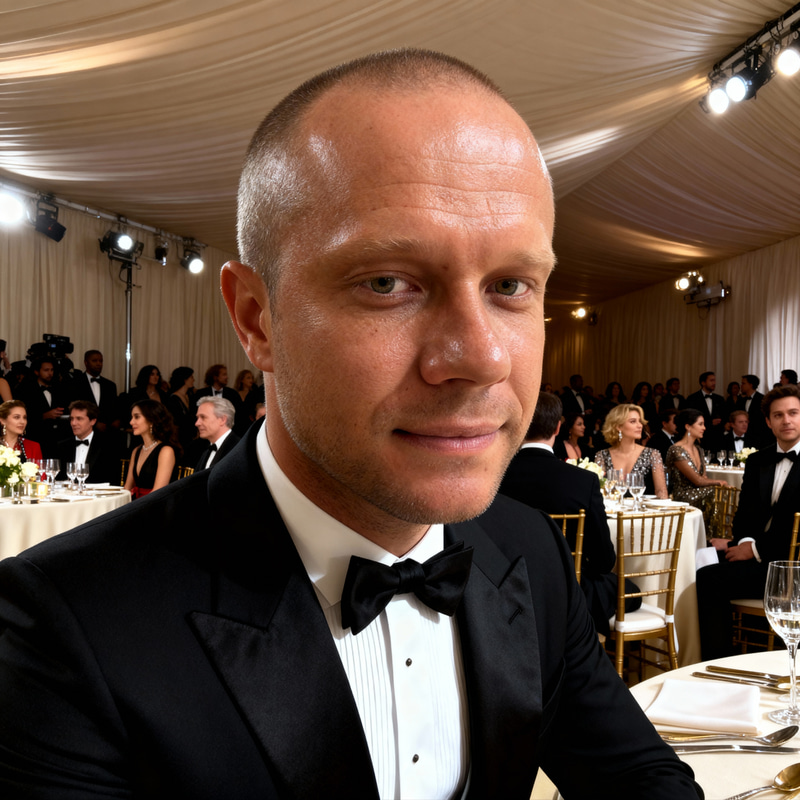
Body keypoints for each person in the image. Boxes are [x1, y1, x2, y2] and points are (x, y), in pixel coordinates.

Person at [0, 49, 701, 798]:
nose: (481, 358)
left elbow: (639, 777)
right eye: (387, 282)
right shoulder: (62, 628)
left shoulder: (525, 550)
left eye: (510, 285)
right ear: (255, 319)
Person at [500, 392, 640, 635]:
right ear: (557, 427)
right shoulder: (583, 481)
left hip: (506, 590)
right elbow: (604, 561)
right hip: (569, 592)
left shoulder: (497, 476)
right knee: (633, 592)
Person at [697, 384, 800, 660]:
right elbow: (744, 515)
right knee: (700, 563)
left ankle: (724, 661)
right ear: (768, 422)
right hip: (760, 559)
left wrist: (754, 550)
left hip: (794, 567)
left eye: (793, 413)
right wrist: (743, 542)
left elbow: (795, 529)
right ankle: (722, 662)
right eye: (778, 415)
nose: (786, 420)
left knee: (709, 579)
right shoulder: (758, 460)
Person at [665, 408, 728, 531]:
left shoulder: (699, 449)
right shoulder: (676, 450)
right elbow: (697, 481)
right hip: (683, 495)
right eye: (700, 424)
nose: (704, 428)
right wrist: (719, 482)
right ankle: (713, 533)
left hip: (699, 492)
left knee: (721, 492)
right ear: (688, 426)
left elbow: (703, 478)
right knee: (717, 491)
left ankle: (718, 533)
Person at [594, 404, 668, 498]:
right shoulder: (602, 455)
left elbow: (661, 491)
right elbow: (598, 491)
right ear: (618, 427)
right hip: (612, 511)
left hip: (643, 511)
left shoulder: (652, 454)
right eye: (633, 422)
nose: (640, 425)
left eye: (640, 421)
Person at [55, 400, 120, 485]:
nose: (73, 423)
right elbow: (58, 479)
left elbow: (113, 479)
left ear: (92, 421)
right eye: (71, 419)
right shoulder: (62, 446)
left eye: (79, 419)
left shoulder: (108, 446)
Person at [123, 400, 177, 499]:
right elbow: (127, 488)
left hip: (156, 508)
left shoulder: (166, 451)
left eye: (137, 417)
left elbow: (158, 492)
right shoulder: (136, 451)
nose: (131, 422)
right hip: (136, 505)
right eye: (132, 417)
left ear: (151, 420)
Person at [14, 357, 67, 456]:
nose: (50, 373)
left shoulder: (59, 389)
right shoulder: (26, 391)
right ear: (36, 372)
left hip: (58, 440)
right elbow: (21, 416)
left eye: (52, 370)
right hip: (36, 438)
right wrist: (44, 416)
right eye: (46, 370)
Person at [67, 349, 118, 431]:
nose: (98, 364)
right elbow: (73, 409)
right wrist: (94, 424)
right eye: (94, 361)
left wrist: (116, 421)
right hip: (83, 431)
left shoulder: (110, 385)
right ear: (86, 362)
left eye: (101, 361)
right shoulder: (75, 383)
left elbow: (114, 408)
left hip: (107, 433)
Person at [189, 396, 240, 470]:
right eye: (197, 418)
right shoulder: (205, 451)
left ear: (222, 420)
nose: (197, 423)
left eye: (203, 417)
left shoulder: (238, 449)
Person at [684, 371, 726, 451]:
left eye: (714, 380)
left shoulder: (720, 399)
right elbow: (690, 418)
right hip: (700, 438)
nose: (714, 383)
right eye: (711, 380)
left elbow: (725, 416)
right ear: (703, 383)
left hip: (717, 438)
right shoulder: (692, 398)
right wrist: (709, 422)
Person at [166, 366, 197, 452]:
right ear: (185, 379)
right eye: (191, 377)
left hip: (192, 438)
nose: (193, 380)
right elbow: (174, 422)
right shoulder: (172, 399)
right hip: (179, 440)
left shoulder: (191, 396)